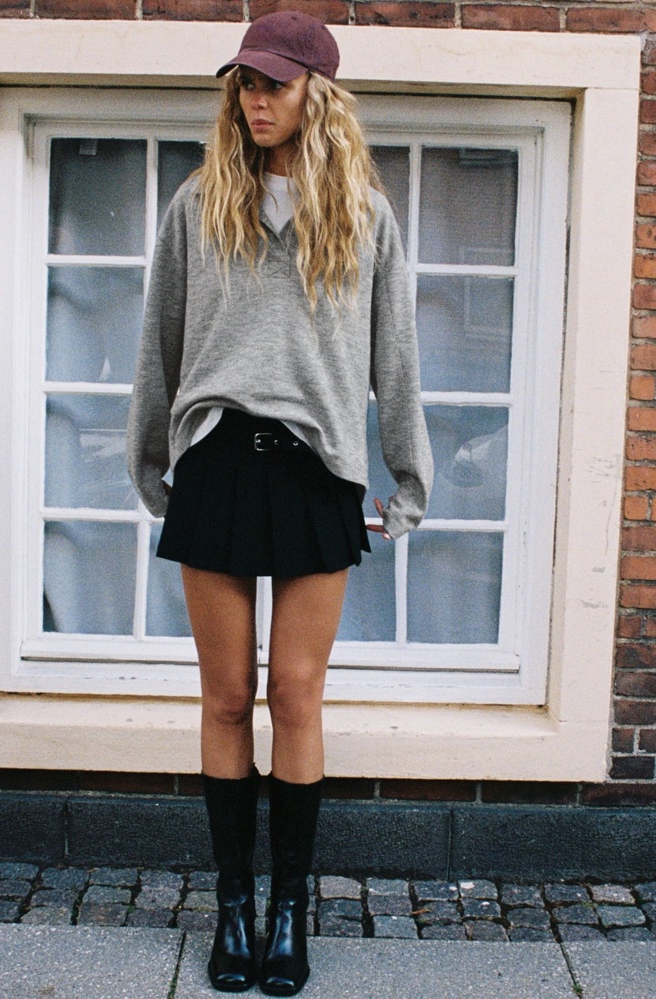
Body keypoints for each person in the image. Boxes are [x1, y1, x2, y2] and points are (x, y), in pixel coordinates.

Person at [127, 10, 433, 995]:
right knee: (223, 699)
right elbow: (158, 346)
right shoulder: (195, 207)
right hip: (217, 464)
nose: (255, 100)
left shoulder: (364, 219)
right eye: (244, 84)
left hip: (316, 471)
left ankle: (291, 914)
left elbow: (395, 359)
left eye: (272, 83)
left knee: (294, 697)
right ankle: (233, 909)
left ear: (316, 92)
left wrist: (405, 476)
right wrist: (151, 462)